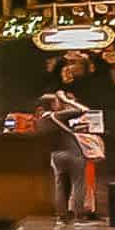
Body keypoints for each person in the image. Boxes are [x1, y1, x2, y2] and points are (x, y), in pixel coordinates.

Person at [36, 91, 89, 222]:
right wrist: (67, 100)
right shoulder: (57, 116)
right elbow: (84, 110)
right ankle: (78, 214)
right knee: (78, 183)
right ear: (52, 104)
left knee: (60, 185)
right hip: (72, 153)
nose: (60, 103)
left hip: (55, 155)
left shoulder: (41, 121)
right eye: (57, 101)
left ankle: (62, 214)